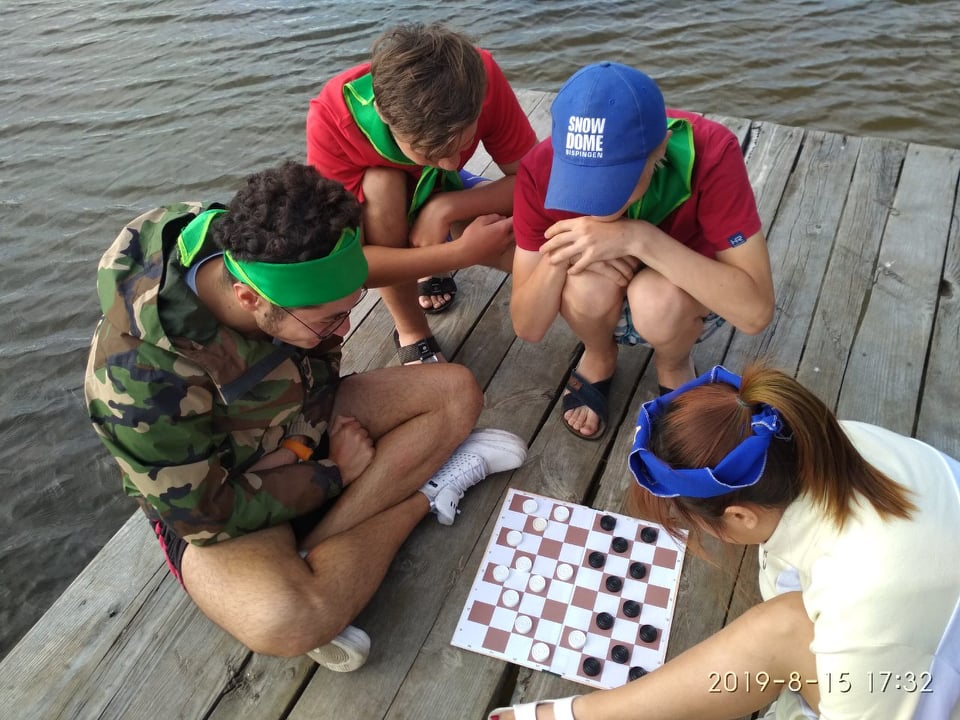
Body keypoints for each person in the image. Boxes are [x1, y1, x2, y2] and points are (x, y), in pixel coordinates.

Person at [84, 161, 528, 672]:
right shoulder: (141, 380)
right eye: (329, 320)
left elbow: (323, 356)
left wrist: (298, 446)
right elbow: (206, 515)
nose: (344, 331)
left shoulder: (268, 244)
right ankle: (423, 497)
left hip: (296, 419)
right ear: (248, 299)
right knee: (287, 618)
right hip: (224, 492)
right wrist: (331, 473)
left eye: (349, 310)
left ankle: (316, 549)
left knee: (456, 392)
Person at [489, 364, 960, 720]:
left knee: (783, 629)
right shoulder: (827, 440)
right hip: (915, 630)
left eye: (690, 520)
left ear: (739, 515)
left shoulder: (863, 596)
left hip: (923, 678)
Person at [511, 62, 775, 440]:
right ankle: (599, 353)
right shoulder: (538, 168)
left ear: (661, 148)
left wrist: (639, 238)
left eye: (613, 180)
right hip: (600, 294)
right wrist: (563, 255)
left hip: (682, 299)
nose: (595, 202)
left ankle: (674, 364)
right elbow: (528, 326)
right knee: (584, 280)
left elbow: (755, 313)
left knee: (656, 297)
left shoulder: (713, 151)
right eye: (581, 179)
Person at [307, 22, 537, 364]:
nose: (450, 162)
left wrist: (447, 206)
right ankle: (411, 330)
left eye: (462, 144)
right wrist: (460, 253)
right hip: (381, 209)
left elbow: (536, 180)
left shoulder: (479, 76)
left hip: (450, 191)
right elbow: (351, 266)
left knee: (534, 251)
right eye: (431, 153)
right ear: (384, 115)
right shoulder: (332, 120)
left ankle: (433, 239)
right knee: (382, 182)